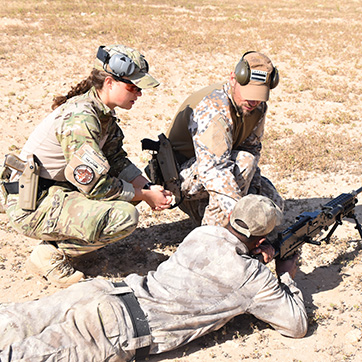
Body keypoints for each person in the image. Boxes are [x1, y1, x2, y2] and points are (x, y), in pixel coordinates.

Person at [0, 194, 308, 362]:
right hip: (115, 328)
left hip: (104, 291)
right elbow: (296, 325)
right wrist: (285, 276)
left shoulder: (203, 234)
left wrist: (253, 254)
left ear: (230, 217)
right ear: (261, 239)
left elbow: (218, 262)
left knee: (14, 321)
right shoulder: (251, 277)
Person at [0, 44, 172, 286]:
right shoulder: (81, 119)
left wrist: (149, 187)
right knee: (124, 216)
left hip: (54, 191)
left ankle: (71, 236)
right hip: (31, 203)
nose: (139, 94)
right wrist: (143, 196)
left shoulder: (102, 114)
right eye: (133, 87)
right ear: (110, 83)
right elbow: (96, 186)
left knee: (120, 201)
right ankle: (50, 255)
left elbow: (116, 160)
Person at [165, 51, 284, 226]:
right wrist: (239, 215)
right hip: (180, 178)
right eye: (249, 93)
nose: (253, 101)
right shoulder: (214, 108)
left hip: (221, 164)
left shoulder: (257, 107)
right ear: (233, 79)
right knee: (244, 167)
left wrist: (252, 189)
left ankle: (205, 209)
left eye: (259, 95)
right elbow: (214, 170)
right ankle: (214, 235)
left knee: (272, 207)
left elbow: (251, 148)